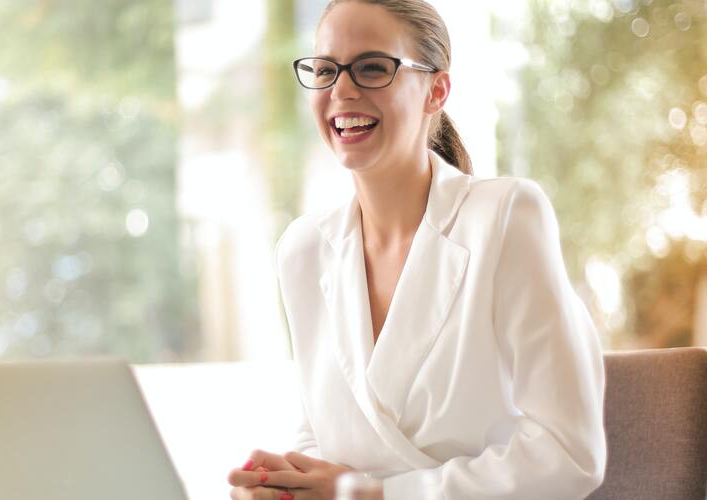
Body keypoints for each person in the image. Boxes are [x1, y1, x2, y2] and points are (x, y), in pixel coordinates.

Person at [226, 1, 607, 499]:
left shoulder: (506, 217)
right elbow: (322, 434)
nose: (341, 90)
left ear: (437, 89)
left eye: (372, 68)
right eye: (324, 70)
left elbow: (569, 453)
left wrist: (376, 496)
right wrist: (285, 485)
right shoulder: (304, 250)